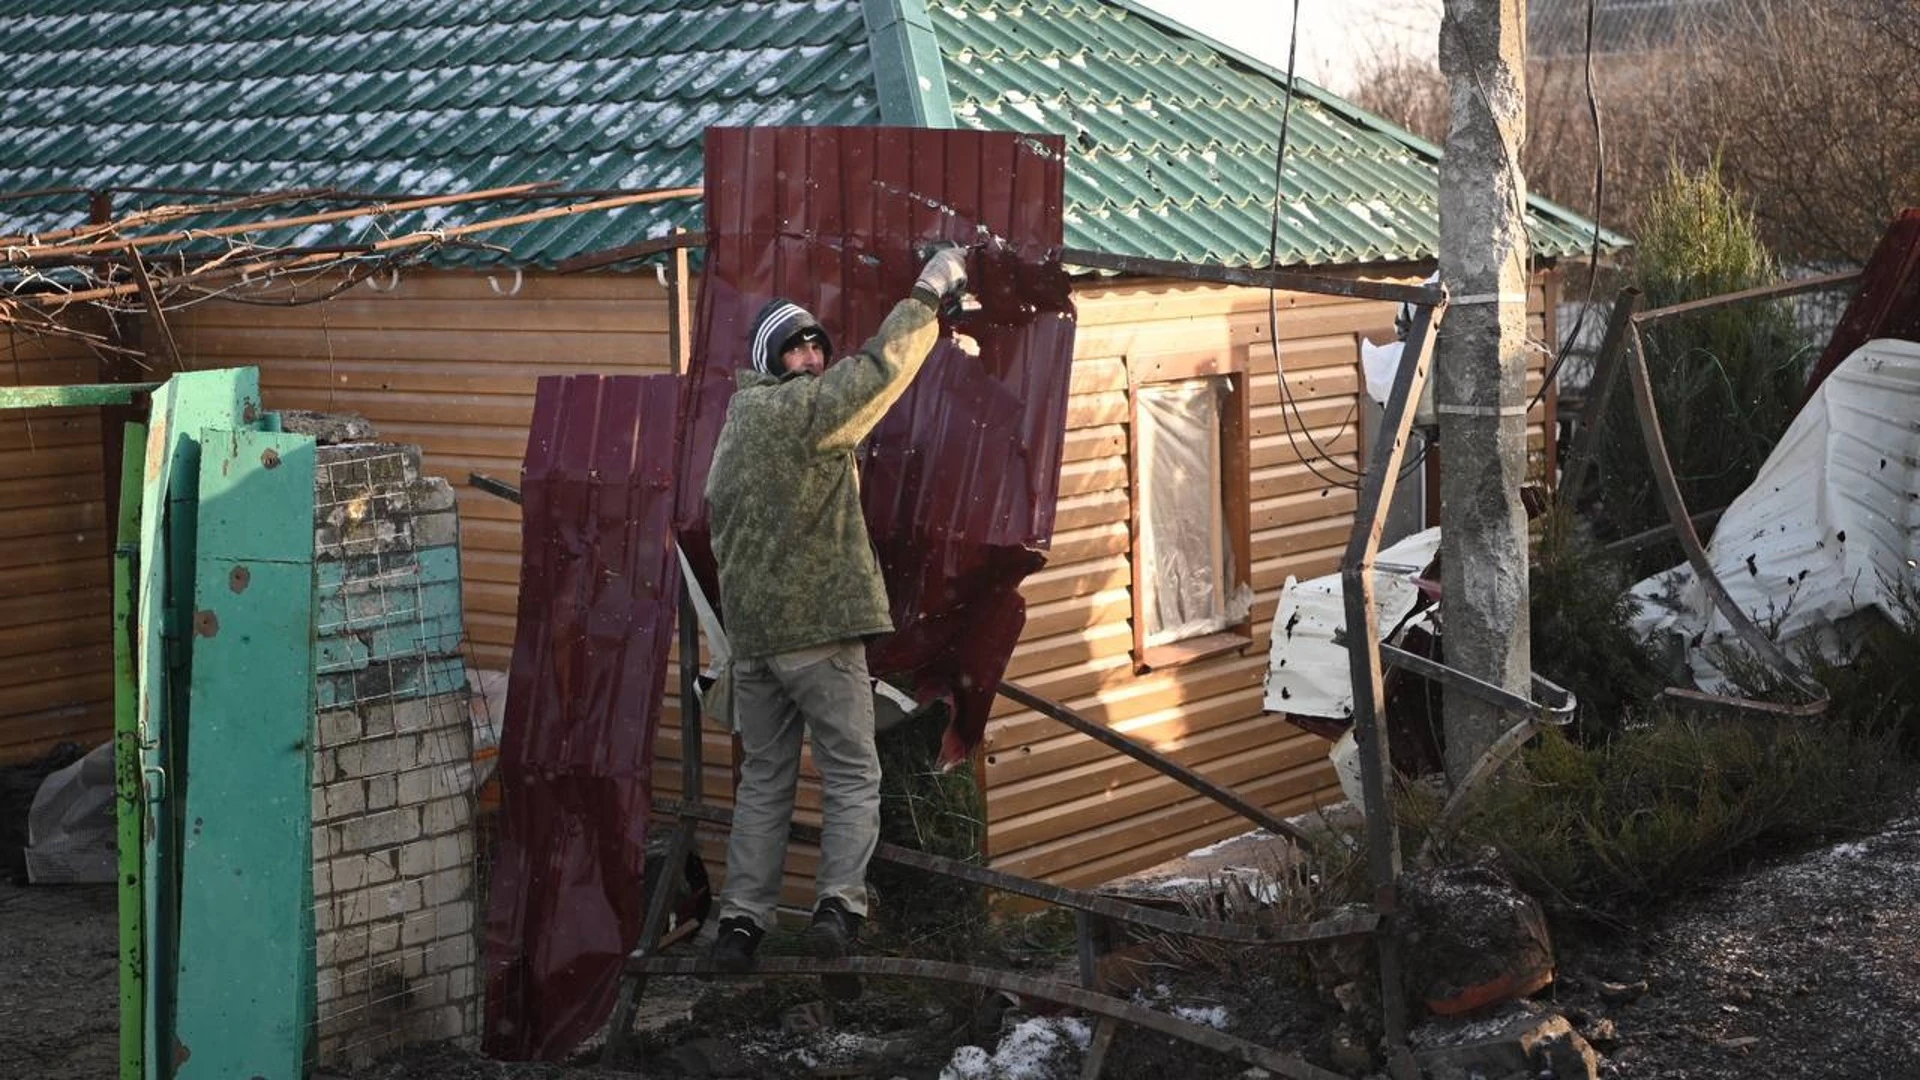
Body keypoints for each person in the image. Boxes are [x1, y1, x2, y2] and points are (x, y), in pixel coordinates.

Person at [702, 245, 970, 992]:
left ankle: (740, 925)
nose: (815, 355)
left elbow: (718, 522)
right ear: (771, 361)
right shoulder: (803, 412)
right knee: (854, 775)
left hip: (754, 647)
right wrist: (928, 294)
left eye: (818, 342)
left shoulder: (734, 429)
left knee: (764, 783)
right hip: (818, 639)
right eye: (798, 346)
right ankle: (837, 913)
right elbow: (879, 370)